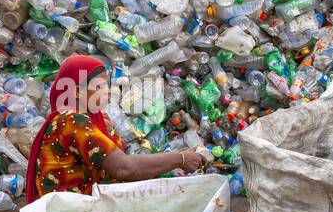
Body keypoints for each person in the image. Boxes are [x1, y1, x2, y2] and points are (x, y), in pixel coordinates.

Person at [23, 55, 205, 203]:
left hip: (90, 200)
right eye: (100, 86)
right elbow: (123, 168)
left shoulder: (97, 117)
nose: (108, 91)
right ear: (77, 92)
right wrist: (179, 158)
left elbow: (122, 158)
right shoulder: (71, 121)